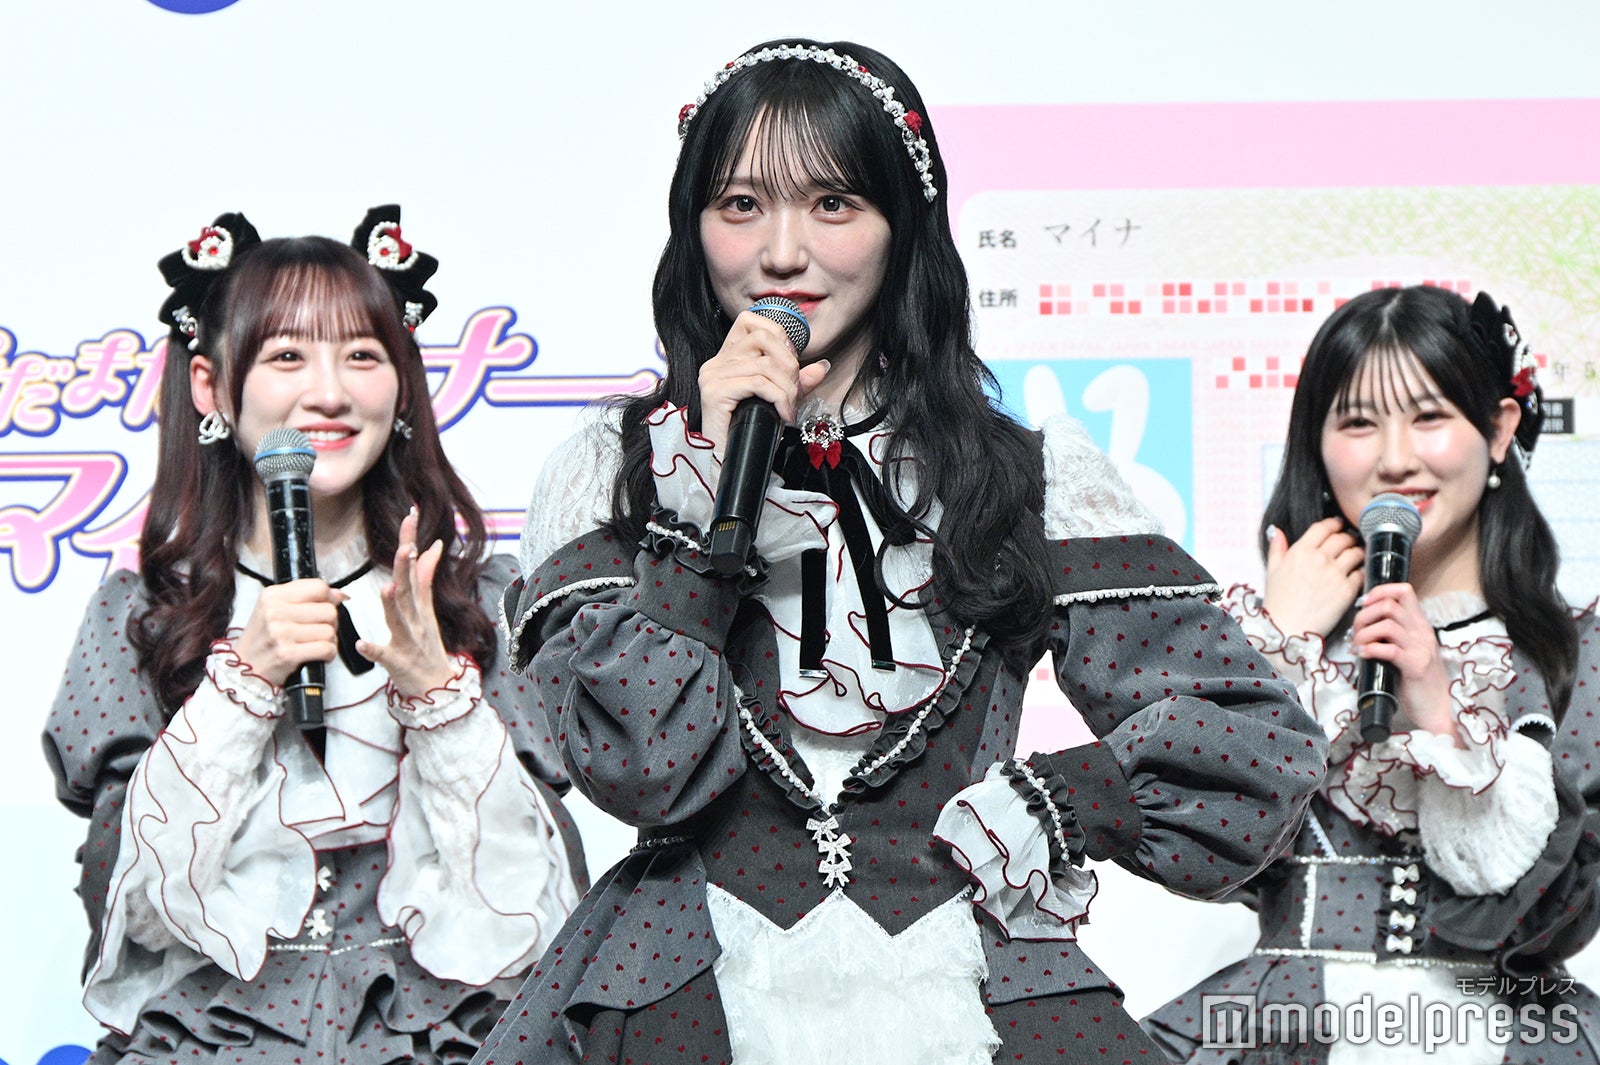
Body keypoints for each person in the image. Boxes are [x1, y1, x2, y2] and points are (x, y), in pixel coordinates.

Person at [477, 39, 1327, 1065]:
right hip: (684, 986)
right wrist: (702, 497)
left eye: (832, 204)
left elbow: (1252, 743)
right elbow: (643, 769)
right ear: (692, 226)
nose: (781, 253)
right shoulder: (616, 473)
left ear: (902, 227)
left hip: (972, 984)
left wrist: (1063, 799)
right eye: (740, 204)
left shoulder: (1021, 476)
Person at [43, 207, 587, 1065]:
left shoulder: (475, 600)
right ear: (209, 385)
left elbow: (532, 914)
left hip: (439, 1034)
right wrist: (243, 683)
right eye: (288, 356)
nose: (329, 393)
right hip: (215, 1036)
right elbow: (134, 908)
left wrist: (439, 697)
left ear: (402, 384)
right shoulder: (144, 616)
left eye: (362, 355)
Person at [1144, 284, 1600, 1063]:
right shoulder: (1270, 636)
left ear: (1498, 429)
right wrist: (1277, 644)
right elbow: (1188, 841)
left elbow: (1556, 899)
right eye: (1358, 422)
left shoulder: (1570, 656)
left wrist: (1442, 717)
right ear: (1316, 444)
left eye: (1429, 417)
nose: (1394, 457)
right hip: (1287, 1025)